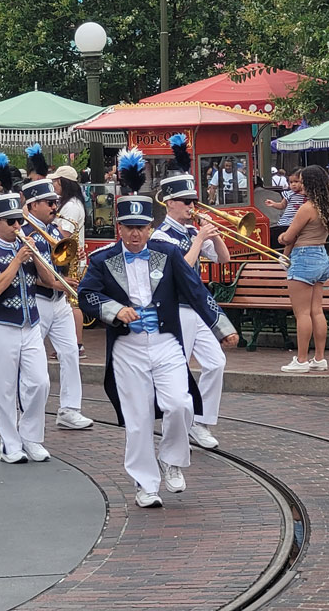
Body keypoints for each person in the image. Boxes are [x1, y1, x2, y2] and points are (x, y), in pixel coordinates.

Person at [78, 148, 237, 508]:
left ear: (151, 228)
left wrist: (220, 326)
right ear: (118, 228)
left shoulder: (168, 254)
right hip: (127, 349)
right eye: (129, 228)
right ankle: (145, 484)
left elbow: (195, 290)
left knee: (180, 405)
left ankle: (171, 458)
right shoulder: (101, 260)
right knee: (136, 421)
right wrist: (115, 310)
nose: (135, 235)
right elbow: (86, 295)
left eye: (141, 228)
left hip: (166, 342)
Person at [0, 154, 55, 463]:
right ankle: (10, 443)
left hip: (31, 322)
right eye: (12, 222)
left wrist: (37, 259)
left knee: (40, 381)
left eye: (19, 220)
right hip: (3, 326)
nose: (18, 226)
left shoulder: (29, 245)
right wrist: (19, 261)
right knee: (5, 389)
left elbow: (47, 282)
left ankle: (32, 436)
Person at [153, 136, 231, 450]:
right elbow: (177, 270)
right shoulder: (161, 235)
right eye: (186, 202)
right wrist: (200, 239)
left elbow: (223, 259)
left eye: (193, 201)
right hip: (176, 308)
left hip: (197, 306)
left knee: (216, 363)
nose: (191, 207)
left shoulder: (191, 229)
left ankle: (200, 422)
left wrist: (216, 234)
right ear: (170, 202)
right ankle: (179, 425)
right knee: (179, 368)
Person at [21, 177, 93, 430]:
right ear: (33, 205)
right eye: (50, 203)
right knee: (32, 360)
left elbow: (59, 261)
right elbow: (31, 275)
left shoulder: (52, 231)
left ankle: (70, 410)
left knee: (71, 352)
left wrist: (74, 257)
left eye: (55, 202)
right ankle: (28, 412)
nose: (55, 206)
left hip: (59, 301)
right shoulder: (25, 231)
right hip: (38, 301)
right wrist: (59, 282)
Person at [279, 165, 329, 373]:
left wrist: (281, 237)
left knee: (302, 313)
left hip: (303, 257)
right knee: (316, 311)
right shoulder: (328, 206)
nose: (299, 185)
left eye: (302, 182)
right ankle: (319, 358)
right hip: (321, 255)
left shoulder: (307, 208)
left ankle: (301, 360)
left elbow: (289, 236)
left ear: (310, 184)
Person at [49, 164, 88, 355]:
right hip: (68, 258)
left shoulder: (71, 206)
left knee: (72, 302)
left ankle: (77, 343)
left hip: (70, 260)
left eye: (56, 181)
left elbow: (64, 233)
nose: (54, 185)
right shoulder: (71, 203)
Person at [265, 167, 305, 247]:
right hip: (286, 221)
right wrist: (273, 204)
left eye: (296, 181)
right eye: (291, 182)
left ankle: (285, 256)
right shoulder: (289, 194)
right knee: (289, 240)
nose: (293, 184)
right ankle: (284, 256)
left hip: (298, 222)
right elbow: (282, 205)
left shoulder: (306, 195)